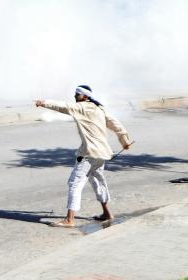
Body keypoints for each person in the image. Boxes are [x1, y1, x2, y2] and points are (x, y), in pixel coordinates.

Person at [35, 85, 132, 228]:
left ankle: (69, 220)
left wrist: (44, 103)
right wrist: (125, 141)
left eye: (78, 94)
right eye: (75, 94)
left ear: (85, 97)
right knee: (98, 181)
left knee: (75, 183)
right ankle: (107, 213)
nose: (75, 96)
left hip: (89, 153)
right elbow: (116, 124)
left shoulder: (81, 108)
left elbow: (63, 106)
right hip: (102, 153)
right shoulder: (100, 109)